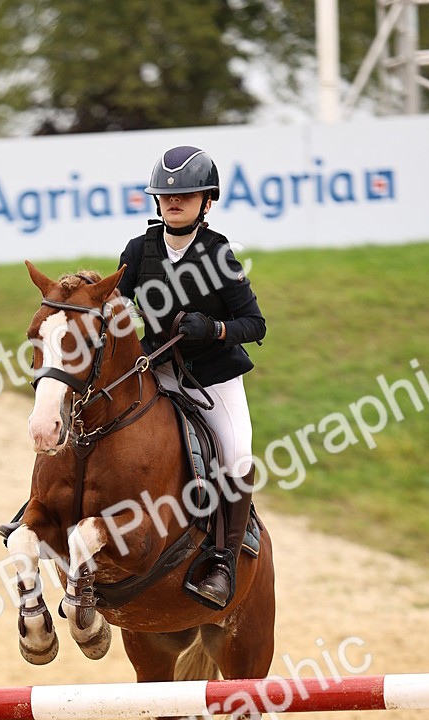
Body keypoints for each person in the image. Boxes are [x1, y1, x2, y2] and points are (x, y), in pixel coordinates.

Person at [117, 145, 266, 608]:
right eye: (165, 196)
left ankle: (222, 562)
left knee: (237, 453)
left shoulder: (220, 253)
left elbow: (255, 325)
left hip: (213, 380)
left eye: (185, 195)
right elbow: (116, 309)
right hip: (158, 373)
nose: (173, 202)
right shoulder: (138, 251)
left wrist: (215, 329)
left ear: (207, 200)